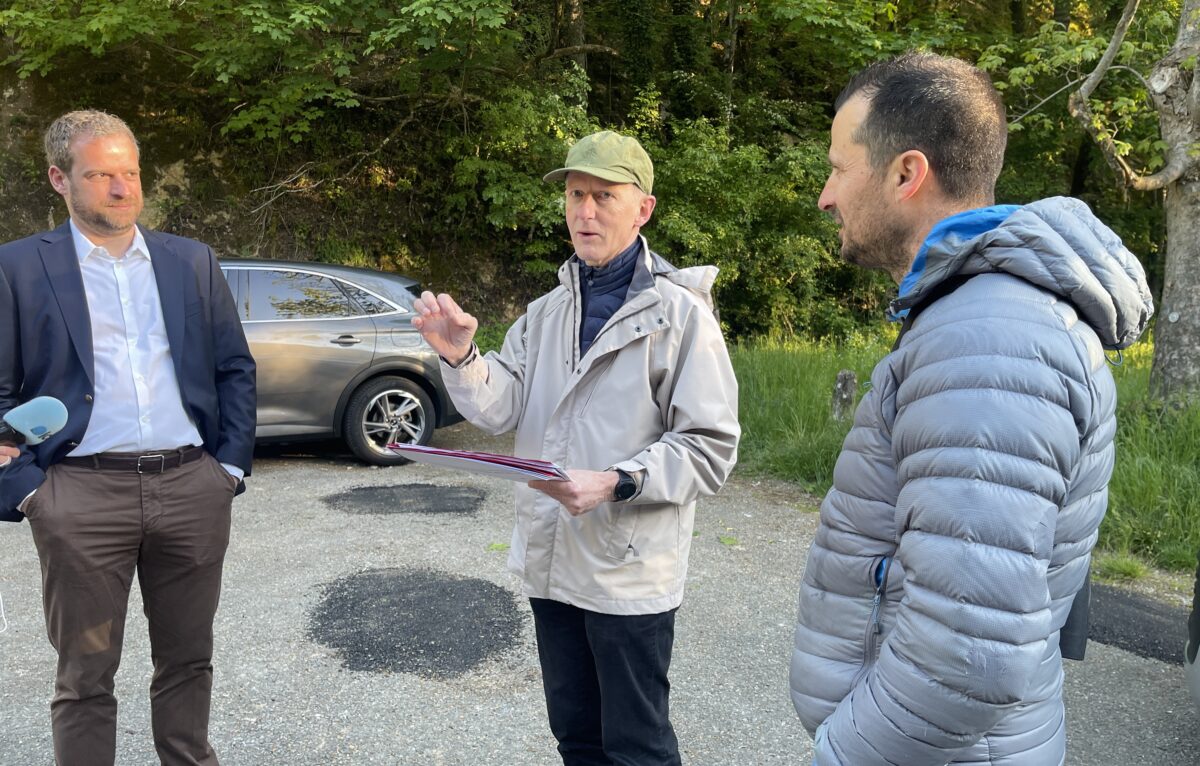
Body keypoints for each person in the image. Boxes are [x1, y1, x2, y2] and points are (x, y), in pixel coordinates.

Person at [789, 53, 1153, 764]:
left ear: (906, 173)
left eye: (838, 167)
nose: (826, 196)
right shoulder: (978, 319)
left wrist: (842, 755)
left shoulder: (991, 342)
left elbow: (966, 652)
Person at [411, 130, 740, 765]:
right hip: (551, 560)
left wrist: (615, 479)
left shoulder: (681, 317)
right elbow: (500, 405)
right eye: (575, 195)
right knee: (576, 737)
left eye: (603, 197)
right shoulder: (546, 311)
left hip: (628, 568)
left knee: (637, 746)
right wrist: (462, 357)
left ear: (642, 209)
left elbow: (709, 446)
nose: (584, 212)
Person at [0, 110, 256, 766]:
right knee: (85, 678)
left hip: (192, 486)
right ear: (60, 179)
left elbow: (234, 367)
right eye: (101, 175)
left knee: (189, 661)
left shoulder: (189, 261)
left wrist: (228, 467)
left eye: (130, 173)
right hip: (79, 494)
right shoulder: (18, 269)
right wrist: (31, 490)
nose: (122, 189)